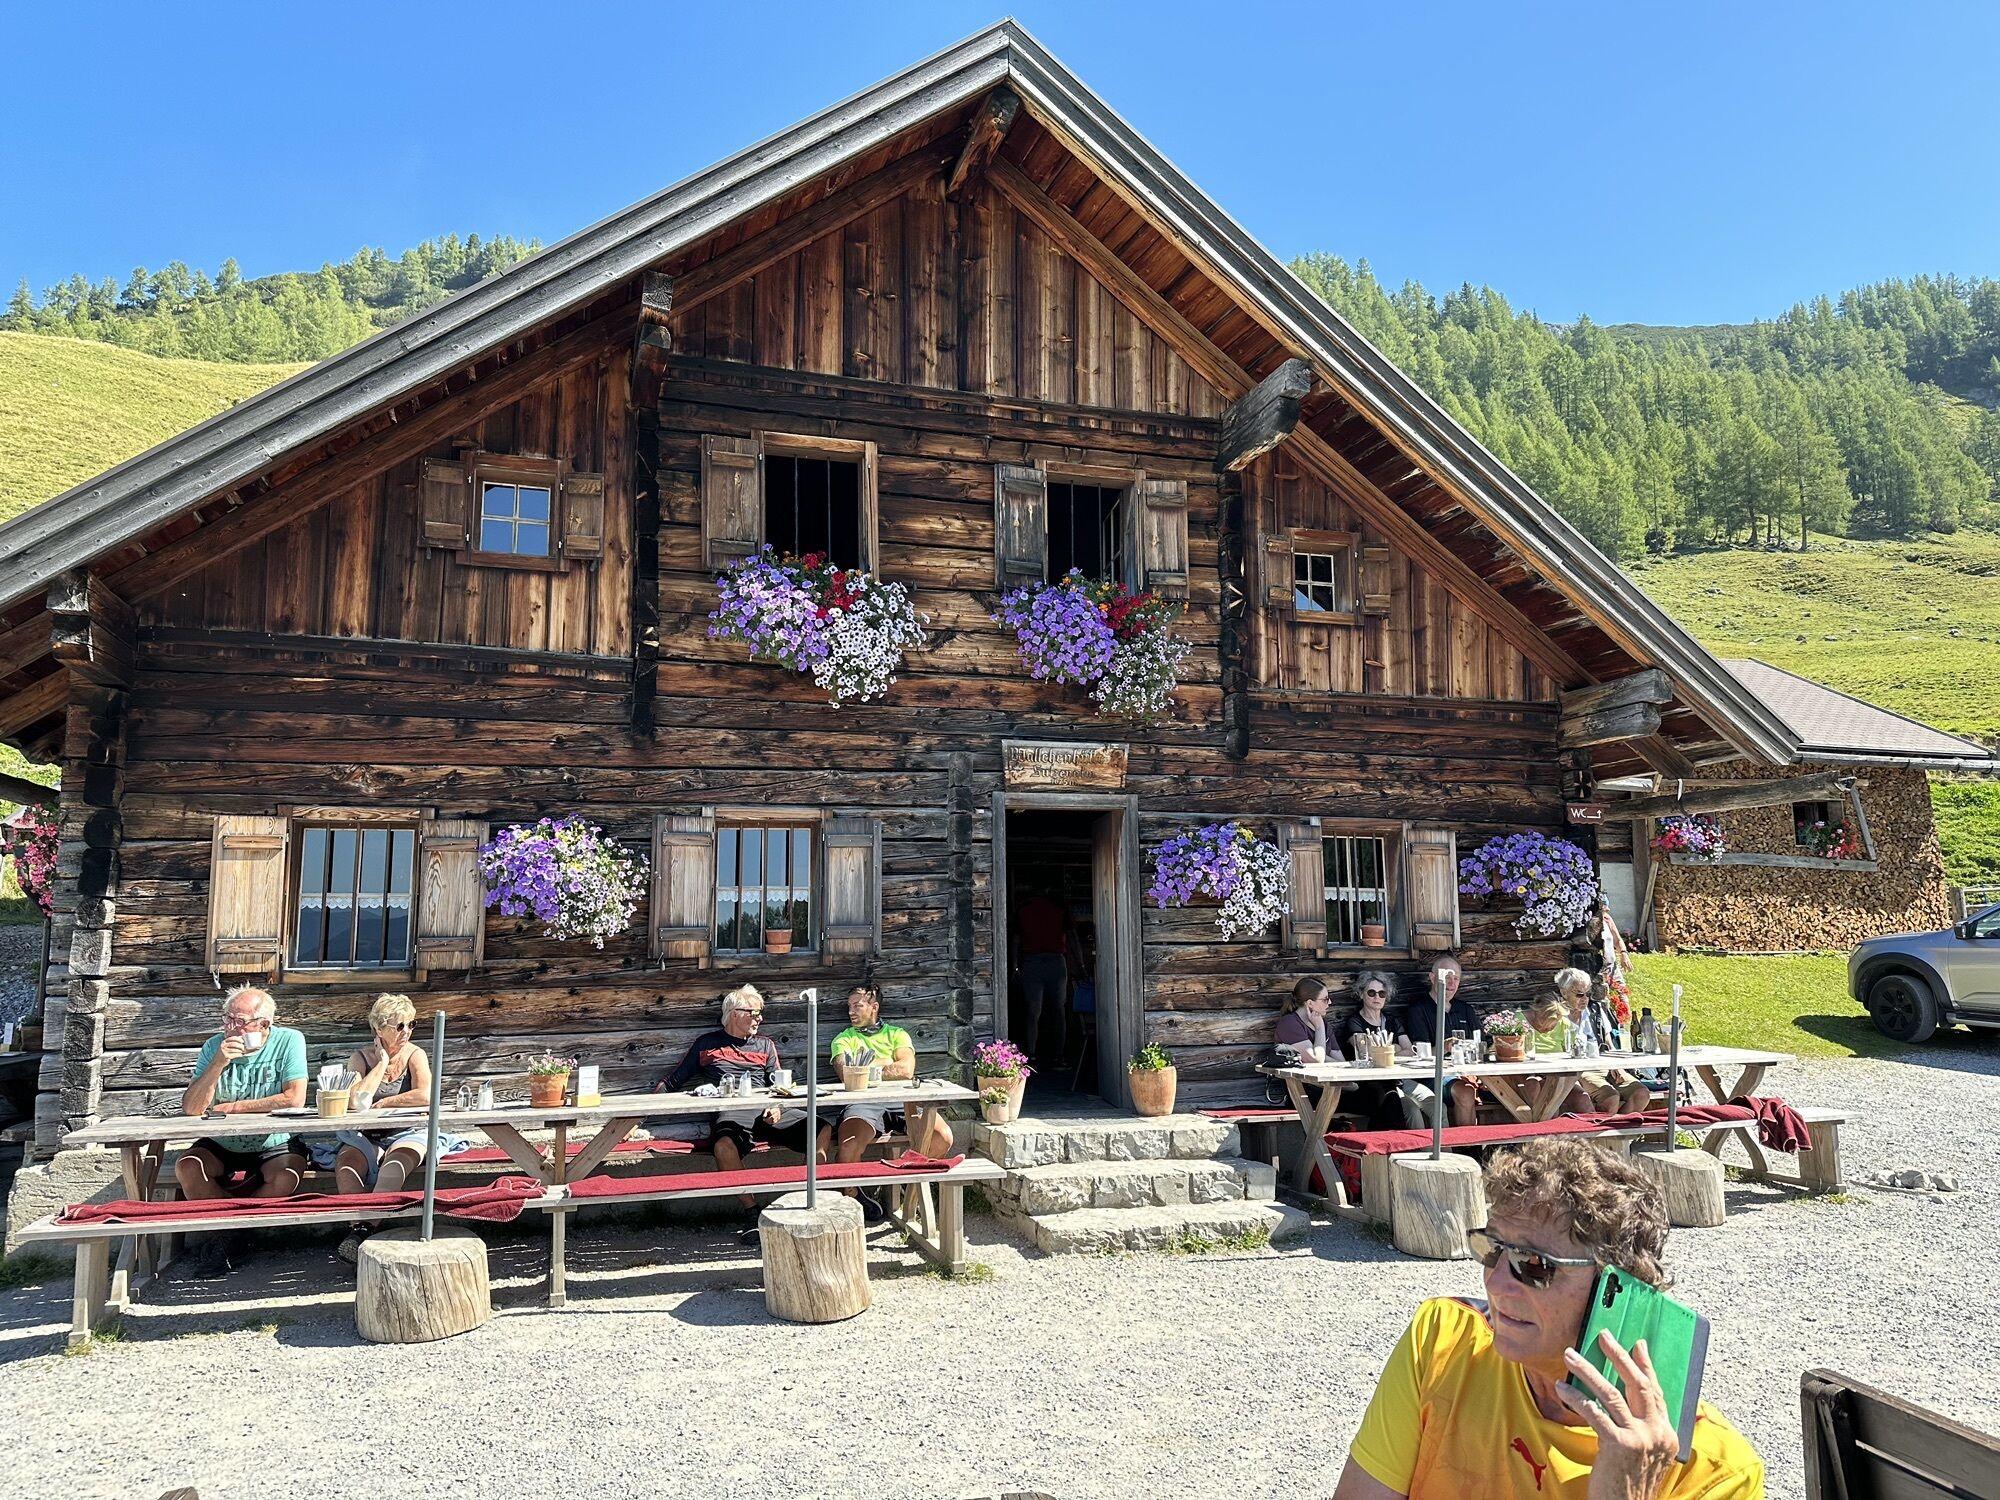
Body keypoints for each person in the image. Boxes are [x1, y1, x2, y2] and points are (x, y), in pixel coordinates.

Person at [1333, 1136, 1764, 1499]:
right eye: (1492, 1249)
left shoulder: (1716, 1472)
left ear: (1617, 1287)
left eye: (1534, 1264)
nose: (1497, 1284)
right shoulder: (1444, 1340)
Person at [174, 986, 309, 1277]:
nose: (230, 1027)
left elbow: (294, 1098)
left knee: (286, 1176)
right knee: (189, 1167)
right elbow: (192, 1108)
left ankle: (231, 1237)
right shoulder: (214, 1047)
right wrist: (217, 1064)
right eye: (227, 1019)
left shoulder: (288, 1041)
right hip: (224, 1140)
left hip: (274, 1140)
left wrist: (236, 1107)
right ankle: (235, 1236)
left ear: (264, 1024)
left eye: (239, 1021)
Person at [659, 985, 814, 1217]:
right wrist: (636, 1121)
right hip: (731, 1111)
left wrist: (778, 1106)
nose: (760, 1019)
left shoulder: (765, 1045)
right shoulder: (707, 1044)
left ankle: (803, 1200)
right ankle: (752, 1210)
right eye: (755, 1013)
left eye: (760, 1013)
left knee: (819, 1128)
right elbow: (672, 1082)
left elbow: (780, 1084)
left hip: (766, 1109)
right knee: (723, 1147)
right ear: (735, 1014)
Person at [331, 992, 434, 1264]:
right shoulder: (361, 1058)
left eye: (411, 1024)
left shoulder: (415, 1055)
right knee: (347, 1165)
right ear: (378, 1029)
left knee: (396, 1164)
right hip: (365, 1134)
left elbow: (426, 1094)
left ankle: (361, 1233)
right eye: (399, 1026)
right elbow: (354, 1100)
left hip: (407, 1131)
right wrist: (382, 1064)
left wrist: (387, 1101)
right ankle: (361, 1231)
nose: (406, 1031)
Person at [826, 982, 916, 1223]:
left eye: (857, 1006)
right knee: (847, 1148)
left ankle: (908, 1183)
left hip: (899, 1098)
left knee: (942, 1137)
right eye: (849, 1006)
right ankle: (854, 1196)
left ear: (874, 1007)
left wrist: (866, 1068)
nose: (851, 1011)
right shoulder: (844, 1038)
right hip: (862, 1102)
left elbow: (907, 1070)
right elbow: (846, 1074)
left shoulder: (897, 1034)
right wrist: (886, 1064)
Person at [1334, 971, 1435, 1131]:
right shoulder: (1355, 1022)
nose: (1377, 997)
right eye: (1371, 992)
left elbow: (1410, 1051)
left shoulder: (1392, 1020)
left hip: (1400, 1078)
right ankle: (1418, 1147)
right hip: (1377, 1083)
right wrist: (1396, 1048)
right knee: (1412, 1110)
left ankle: (1446, 1145)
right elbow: (1366, 1051)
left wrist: (1386, 1051)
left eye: (1382, 993)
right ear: (1361, 994)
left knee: (1436, 1105)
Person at [1557, 967, 1651, 1115]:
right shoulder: (1557, 1016)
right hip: (1580, 1070)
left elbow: (1608, 1042)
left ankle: (1620, 1127)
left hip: (1605, 1064)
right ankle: (1607, 1128)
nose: (1585, 999)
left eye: (1588, 994)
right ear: (1564, 993)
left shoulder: (1595, 1010)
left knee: (1641, 1094)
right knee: (1610, 1098)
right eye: (1580, 994)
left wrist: (1616, 1065)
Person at [1012, 884, 1071, 1066]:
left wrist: (1014, 966)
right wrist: (1081, 966)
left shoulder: (1023, 908)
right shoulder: (1059, 907)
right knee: (1059, 1010)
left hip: (1033, 961)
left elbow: (1016, 940)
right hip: (1055, 960)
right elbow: (1072, 937)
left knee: (1033, 1010)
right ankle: (1059, 1055)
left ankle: (1031, 1054)